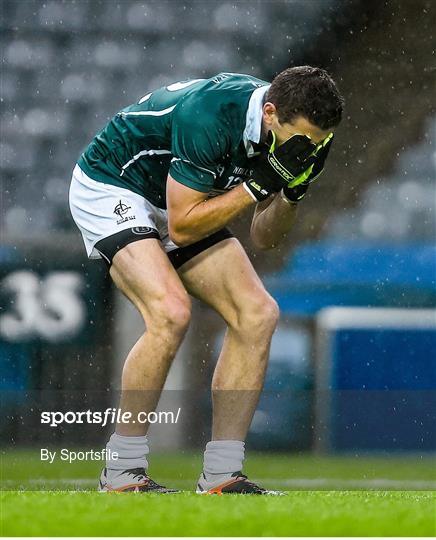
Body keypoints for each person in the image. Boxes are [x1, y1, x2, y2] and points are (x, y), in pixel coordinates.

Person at [69, 66, 344, 494]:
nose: (312, 148)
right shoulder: (213, 114)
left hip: (181, 199)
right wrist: (258, 185)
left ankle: (221, 474)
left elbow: (264, 236)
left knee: (258, 314)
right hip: (114, 185)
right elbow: (182, 227)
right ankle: (121, 470)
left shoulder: (308, 140)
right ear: (269, 113)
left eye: (320, 141)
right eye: (305, 140)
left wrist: (291, 191)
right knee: (171, 313)